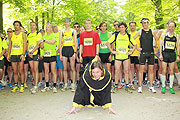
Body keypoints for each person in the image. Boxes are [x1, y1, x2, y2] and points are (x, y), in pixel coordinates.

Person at [106, 22, 137, 93]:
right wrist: (112, 51)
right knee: (117, 71)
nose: (121, 29)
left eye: (123, 27)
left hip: (126, 57)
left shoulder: (128, 36)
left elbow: (135, 45)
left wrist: (131, 51)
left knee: (126, 71)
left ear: (126, 28)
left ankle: (127, 86)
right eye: (120, 27)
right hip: (118, 57)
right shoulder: (116, 35)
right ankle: (116, 86)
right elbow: (108, 43)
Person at [133, 18, 157, 93]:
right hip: (143, 53)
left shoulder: (152, 31)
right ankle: (140, 86)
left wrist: (155, 47)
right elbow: (132, 39)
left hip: (151, 53)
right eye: (143, 23)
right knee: (141, 70)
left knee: (151, 70)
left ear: (148, 23)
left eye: (146, 23)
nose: (144, 24)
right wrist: (136, 47)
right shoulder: (140, 31)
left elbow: (156, 40)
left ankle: (151, 86)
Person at [159, 20, 179, 94]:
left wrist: (178, 55)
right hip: (165, 54)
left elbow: (178, 46)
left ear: (174, 27)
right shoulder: (164, 35)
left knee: (171, 71)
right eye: (170, 26)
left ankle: (171, 87)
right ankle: (163, 86)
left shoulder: (176, 36)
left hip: (172, 54)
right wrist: (160, 54)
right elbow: (160, 45)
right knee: (164, 70)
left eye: (172, 26)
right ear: (168, 27)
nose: (171, 28)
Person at [7, 21, 27, 93]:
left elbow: (25, 45)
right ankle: (16, 85)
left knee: (21, 70)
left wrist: (23, 54)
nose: (16, 26)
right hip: (13, 54)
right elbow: (10, 45)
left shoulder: (23, 34)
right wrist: (8, 54)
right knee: (15, 71)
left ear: (20, 26)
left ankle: (22, 85)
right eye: (15, 25)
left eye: (17, 25)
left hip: (20, 54)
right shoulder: (11, 34)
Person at [59, 18, 78, 92]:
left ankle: (73, 84)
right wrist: (60, 54)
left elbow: (76, 42)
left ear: (70, 23)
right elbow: (60, 43)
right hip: (64, 49)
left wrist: (75, 52)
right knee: (64, 68)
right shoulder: (62, 31)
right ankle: (65, 84)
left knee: (72, 67)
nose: (67, 23)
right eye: (65, 22)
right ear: (64, 23)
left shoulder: (74, 31)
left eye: (68, 22)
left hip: (71, 50)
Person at [40, 23, 57, 93]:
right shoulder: (44, 36)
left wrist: (44, 41)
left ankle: (54, 86)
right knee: (46, 71)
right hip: (45, 54)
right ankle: (47, 86)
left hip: (52, 54)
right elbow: (41, 46)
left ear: (51, 28)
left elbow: (52, 42)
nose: (47, 29)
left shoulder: (54, 35)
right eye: (46, 27)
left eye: (48, 27)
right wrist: (41, 43)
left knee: (53, 71)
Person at [27, 21, 42, 94]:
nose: (32, 26)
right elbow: (27, 44)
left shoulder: (38, 34)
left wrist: (32, 52)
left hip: (35, 54)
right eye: (31, 25)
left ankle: (36, 86)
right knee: (32, 69)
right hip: (29, 54)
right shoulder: (28, 34)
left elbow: (38, 44)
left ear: (36, 26)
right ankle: (35, 82)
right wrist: (28, 52)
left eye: (33, 25)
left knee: (36, 69)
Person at [129, 21, 140, 90]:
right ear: (129, 26)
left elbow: (141, 43)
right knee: (131, 68)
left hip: (137, 53)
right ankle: (131, 81)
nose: (132, 27)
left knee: (138, 68)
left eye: (133, 26)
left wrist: (140, 52)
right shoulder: (128, 34)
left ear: (135, 26)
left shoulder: (138, 34)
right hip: (130, 53)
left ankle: (139, 81)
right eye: (131, 26)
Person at [52, 23, 63, 89]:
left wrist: (59, 50)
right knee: (54, 69)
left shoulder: (60, 33)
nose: (54, 28)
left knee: (60, 69)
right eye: (53, 27)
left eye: (55, 27)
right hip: (52, 54)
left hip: (59, 54)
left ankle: (61, 81)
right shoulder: (51, 34)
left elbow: (62, 43)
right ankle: (55, 82)